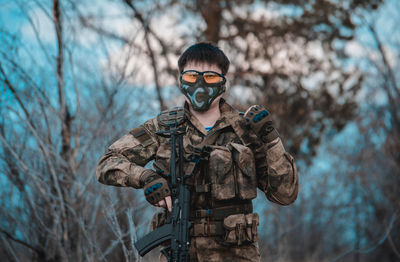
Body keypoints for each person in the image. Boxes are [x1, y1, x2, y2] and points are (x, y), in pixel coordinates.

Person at [96, 42, 298, 262]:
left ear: (223, 82)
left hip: (236, 255)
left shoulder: (247, 129)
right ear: (181, 80)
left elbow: (285, 194)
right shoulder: (162, 128)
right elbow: (107, 162)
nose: (200, 83)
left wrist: (271, 138)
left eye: (210, 77)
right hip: (179, 251)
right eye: (192, 76)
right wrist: (146, 178)